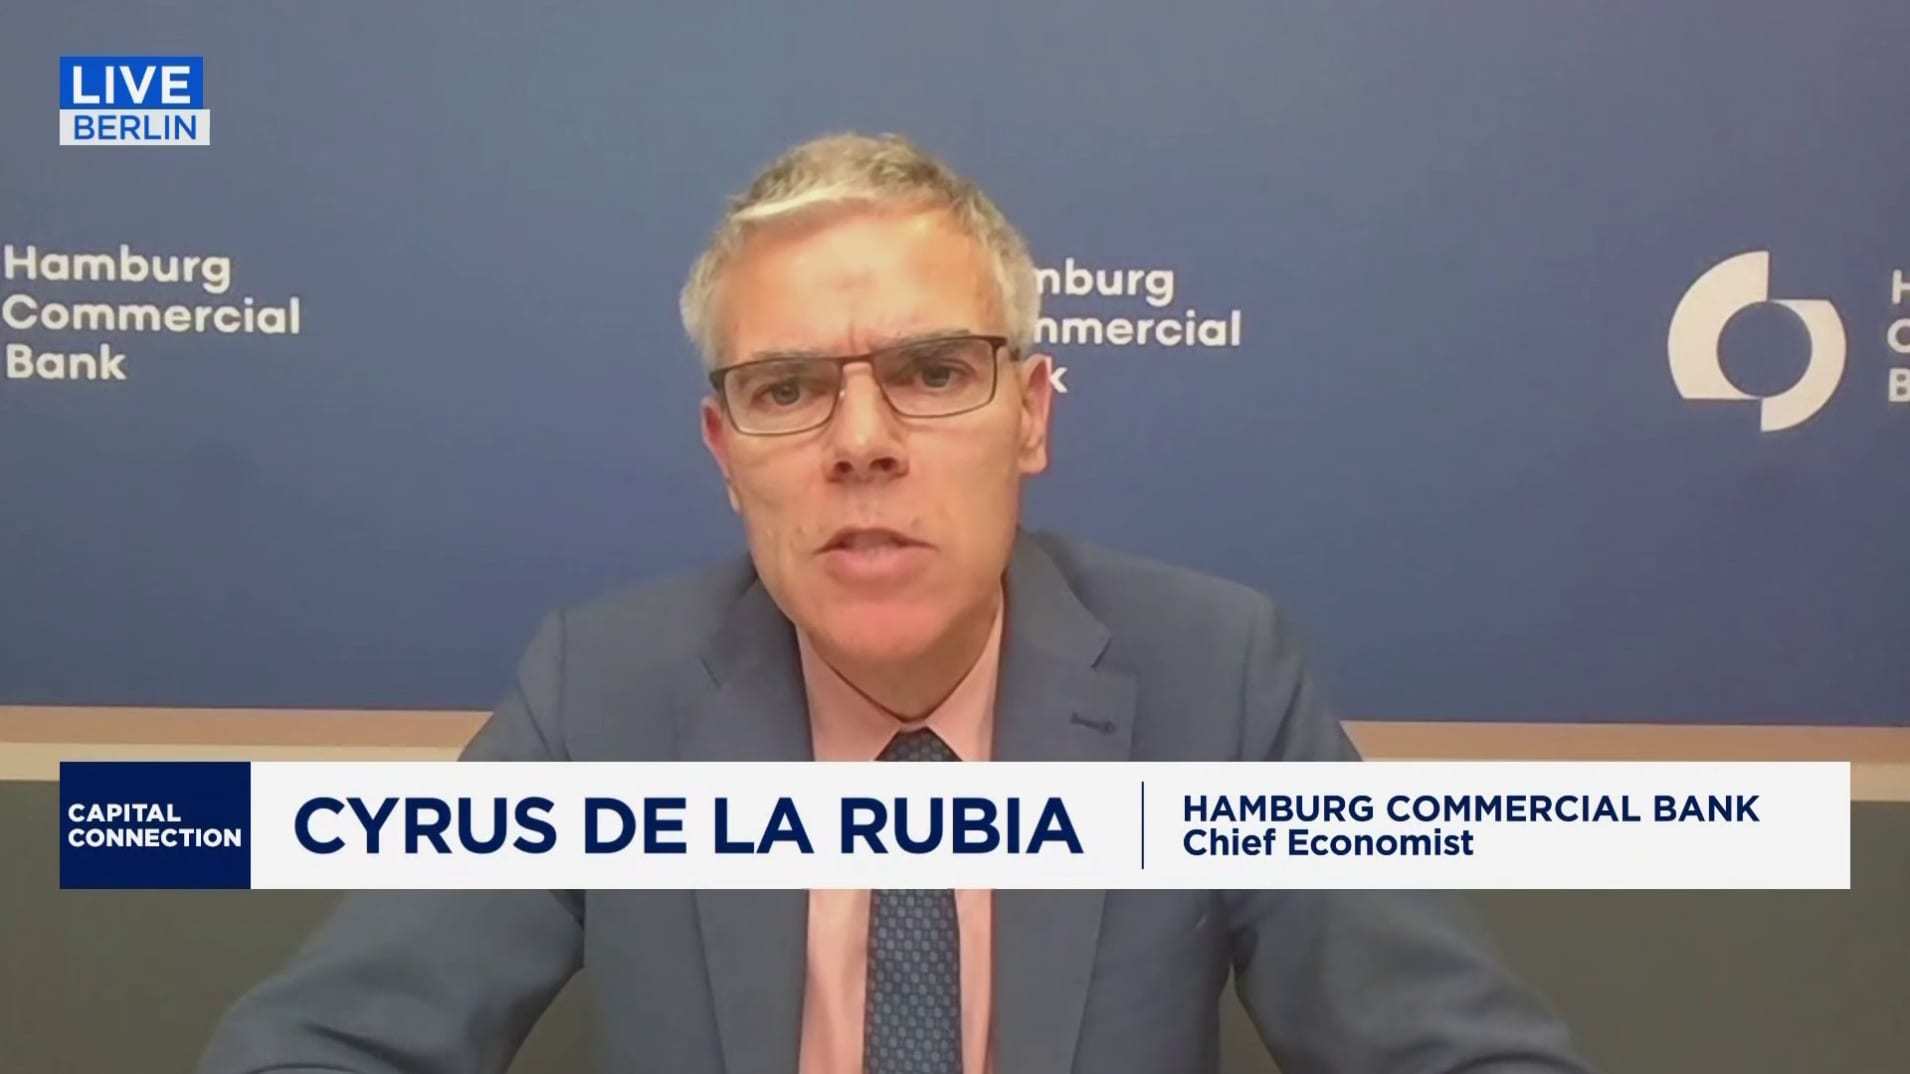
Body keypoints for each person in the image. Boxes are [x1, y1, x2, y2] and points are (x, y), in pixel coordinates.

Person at [199, 132, 1594, 1074]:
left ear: (1031, 415)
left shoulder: (1215, 678)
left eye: (932, 373)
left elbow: (1458, 1051)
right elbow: (323, 1045)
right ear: (725, 452)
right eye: (788, 388)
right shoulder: (603, 695)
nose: (860, 442)